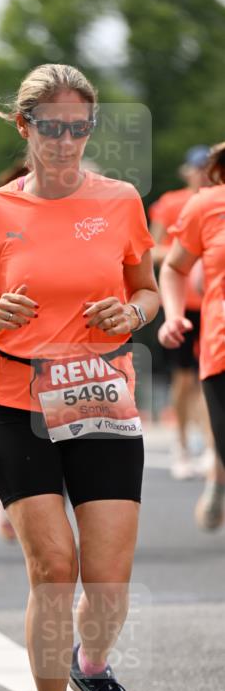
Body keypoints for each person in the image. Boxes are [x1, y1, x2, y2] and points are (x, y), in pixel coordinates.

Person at [0, 63, 159, 691]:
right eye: (51, 128)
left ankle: (90, 665)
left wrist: (130, 313)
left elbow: (147, 291)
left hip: (99, 396)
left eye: (78, 128)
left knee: (106, 575)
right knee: (53, 568)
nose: (65, 142)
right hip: (15, 401)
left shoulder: (121, 200)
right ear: (23, 126)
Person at [159, 142, 225, 531]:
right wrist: (172, 315)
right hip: (220, 350)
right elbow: (173, 266)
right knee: (182, 383)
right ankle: (210, 466)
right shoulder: (204, 206)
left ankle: (216, 475)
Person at [149, 146, 213, 479]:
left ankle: (210, 444)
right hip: (181, 305)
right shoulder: (172, 203)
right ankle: (182, 443)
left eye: (207, 168)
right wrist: (189, 252)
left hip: (213, 305)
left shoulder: (218, 201)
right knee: (184, 377)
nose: (201, 173)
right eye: (196, 168)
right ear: (186, 171)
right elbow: (152, 250)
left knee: (209, 376)